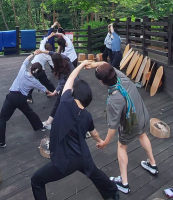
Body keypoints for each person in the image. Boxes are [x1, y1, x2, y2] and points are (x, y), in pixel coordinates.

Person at [30, 60, 119, 200]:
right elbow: (94, 132)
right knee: (94, 173)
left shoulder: (65, 101)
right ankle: (113, 193)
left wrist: (82, 64)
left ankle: (112, 192)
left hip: (64, 161)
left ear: (75, 93)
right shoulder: (87, 116)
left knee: (36, 180)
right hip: (81, 156)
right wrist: (102, 142)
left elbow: (70, 78)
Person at [88, 61, 158, 194]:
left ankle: (124, 183)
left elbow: (112, 128)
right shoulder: (122, 78)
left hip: (132, 125)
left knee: (121, 146)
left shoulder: (114, 101)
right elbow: (105, 63)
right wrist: (94, 64)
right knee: (143, 135)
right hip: (143, 116)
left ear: (102, 82)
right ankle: (152, 164)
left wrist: (105, 143)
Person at [0, 54, 56, 147]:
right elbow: (44, 89)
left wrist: (33, 54)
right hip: (22, 99)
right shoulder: (35, 81)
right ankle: (39, 126)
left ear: (30, 67)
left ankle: (0, 142)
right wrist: (51, 93)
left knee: (2, 118)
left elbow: (25, 61)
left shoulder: (22, 71)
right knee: (29, 112)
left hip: (12, 96)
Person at [34, 49, 79, 130]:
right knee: (73, 105)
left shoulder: (61, 70)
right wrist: (42, 51)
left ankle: (51, 123)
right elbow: (52, 53)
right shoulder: (65, 58)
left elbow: (61, 84)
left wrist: (54, 92)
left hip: (69, 87)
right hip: (76, 83)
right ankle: (49, 122)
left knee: (61, 104)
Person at [27, 38, 56, 104]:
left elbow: (43, 41)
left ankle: (29, 97)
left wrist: (50, 36)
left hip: (33, 67)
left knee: (31, 82)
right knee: (46, 82)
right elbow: (53, 65)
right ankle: (53, 91)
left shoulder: (41, 49)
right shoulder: (49, 56)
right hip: (40, 70)